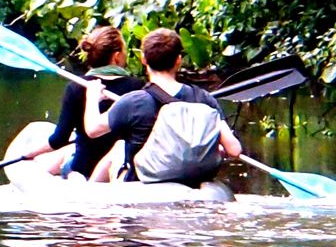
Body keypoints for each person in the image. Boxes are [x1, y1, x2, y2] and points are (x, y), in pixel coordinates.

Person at [82, 27, 243, 184]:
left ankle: (90, 190)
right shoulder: (204, 99)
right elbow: (234, 150)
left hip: (144, 182)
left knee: (119, 146)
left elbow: (92, 130)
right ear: (178, 60)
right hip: (193, 183)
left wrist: (92, 97)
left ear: (143, 59)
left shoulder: (132, 102)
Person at [3, 25, 137, 176]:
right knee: (69, 149)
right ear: (117, 56)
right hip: (120, 170)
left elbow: (58, 139)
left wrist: (28, 154)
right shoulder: (138, 88)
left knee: (64, 153)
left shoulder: (76, 87)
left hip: (83, 169)